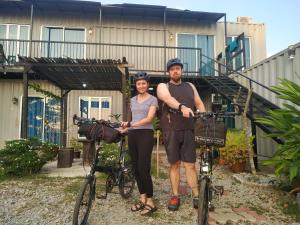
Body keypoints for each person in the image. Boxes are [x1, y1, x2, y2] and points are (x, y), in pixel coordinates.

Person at [156, 58, 206, 211]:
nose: (175, 71)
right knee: (174, 164)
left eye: (178, 68)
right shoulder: (163, 86)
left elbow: (198, 103)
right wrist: (182, 107)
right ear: (169, 72)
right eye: (172, 69)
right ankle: (175, 195)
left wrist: (203, 117)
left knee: (190, 165)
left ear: (182, 70)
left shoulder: (190, 86)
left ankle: (196, 194)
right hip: (171, 131)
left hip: (189, 130)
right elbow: (167, 98)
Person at [120, 72, 158, 216]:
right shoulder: (132, 100)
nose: (141, 86)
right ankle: (142, 198)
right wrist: (126, 126)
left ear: (147, 85)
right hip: (133, 134)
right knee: (135, 168)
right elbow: (133, 118)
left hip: (146, 134)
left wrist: (130, 124)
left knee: (143, 168)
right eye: (138, 83)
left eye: (144, 83)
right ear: (136, 85)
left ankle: (150, 202)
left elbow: (149, 119)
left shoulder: (153, 100)